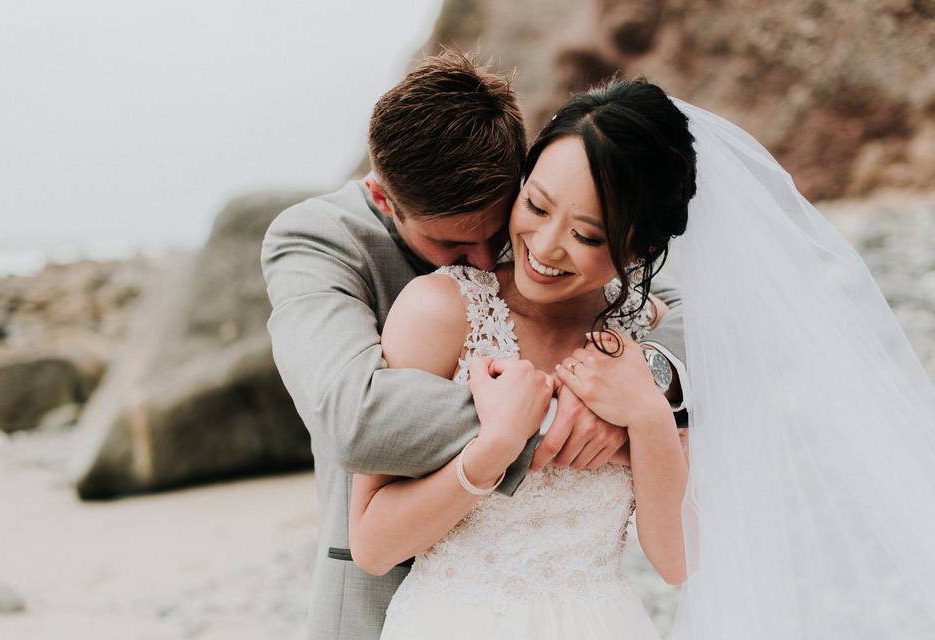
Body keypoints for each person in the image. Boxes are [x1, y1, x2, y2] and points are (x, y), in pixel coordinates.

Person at [356, 77, 935, 639]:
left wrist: (650, 416)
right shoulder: (440, 311)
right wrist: (494, 450)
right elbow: (373, 544)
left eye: (586, 235)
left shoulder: (649, 337)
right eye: (535, 204)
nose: (545, 245)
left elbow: (677, 560)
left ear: (644, 247)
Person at [261, 53, 689, 640]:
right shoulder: (321, 243)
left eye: (503, 223)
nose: (498, 260)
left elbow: (675, 309)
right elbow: (353, 418)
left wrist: (647, 398)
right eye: (457, 243)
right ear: (387, 201)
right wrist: (549, 415)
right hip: (399, 600)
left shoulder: (582, 263)